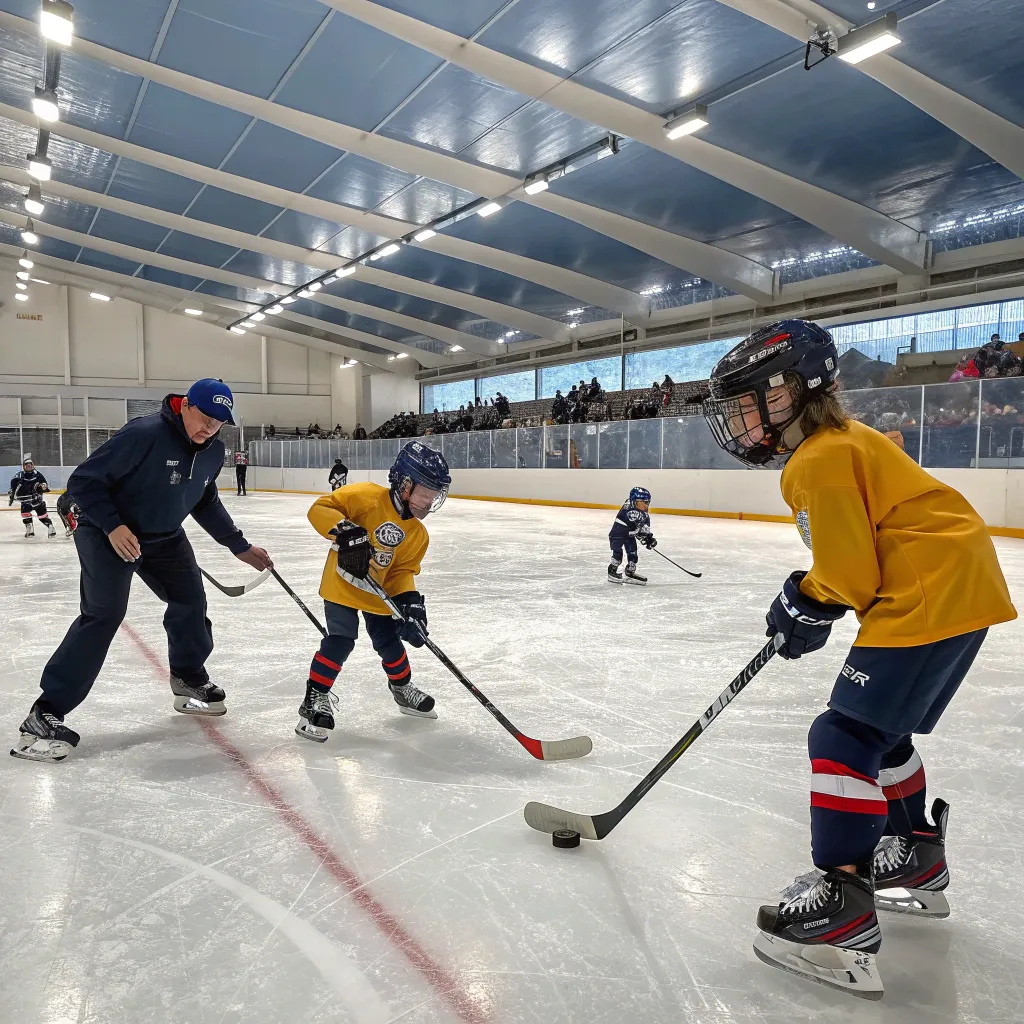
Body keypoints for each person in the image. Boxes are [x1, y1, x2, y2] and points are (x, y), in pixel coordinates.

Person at [702, 319, 1016, 999]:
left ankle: (842, 903)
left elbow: (848, 577)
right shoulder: (840, 444)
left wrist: (803, 602)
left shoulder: (816, 459)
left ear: (788, 392)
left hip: (927, 592)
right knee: (882, 733)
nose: (738, 419)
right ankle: (916, 861)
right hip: (960, 584)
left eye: (746, 401)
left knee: (841, 735)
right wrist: (812, 600)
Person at [10, 379, 275, 763]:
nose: (209, 428)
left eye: (218, 423)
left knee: (190, 600)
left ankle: (187, 676)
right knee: (104, 614)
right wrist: (113, 525)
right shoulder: (145, 434)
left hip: (165, 538)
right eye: (204, 417)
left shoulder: (213, 451)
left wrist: (239, 545)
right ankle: (46, 711)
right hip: (109, 533)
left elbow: (204, 500)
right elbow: (83, 482)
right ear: (185, 405)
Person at [295, 441, 452, 742]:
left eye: (435, 496)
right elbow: (320, 508)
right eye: (425, 493)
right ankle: (314, 697)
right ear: (405, 484)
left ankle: (402, 688)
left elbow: (403, 571)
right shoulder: (367, 495)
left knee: (390, 642)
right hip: (342, 583)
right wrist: (345, 531)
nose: (429, 503)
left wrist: (410, 603)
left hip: (377, 590)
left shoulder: (417, 534)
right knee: (341, 641)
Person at [607, 486, 656, 586]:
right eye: (644, 502)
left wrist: (649, 538)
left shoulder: (642, 512)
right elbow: (636, 525)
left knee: (632, 552)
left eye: (648, 502)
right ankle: (612, 571)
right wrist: (645, 537)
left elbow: (644, 526)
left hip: (629, 535)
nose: (646, 505)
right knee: (617, 554)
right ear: (634, 501)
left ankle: (629, 571)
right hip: (617, 535)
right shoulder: (628, 510)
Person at [8, 455, 56, 538]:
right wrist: (12, 491)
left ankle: (50, 528)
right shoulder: (20, 476)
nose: (29, 466)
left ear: (33, 465)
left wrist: (44, 486)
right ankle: (31, 530)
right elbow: (13, 484)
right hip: (27, 501)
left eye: (30, 465)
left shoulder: (37, 475)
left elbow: (44, 484)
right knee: (27, 514)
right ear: (24, 467)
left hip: (36, 500)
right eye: (27, 465)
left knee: (42, 516)